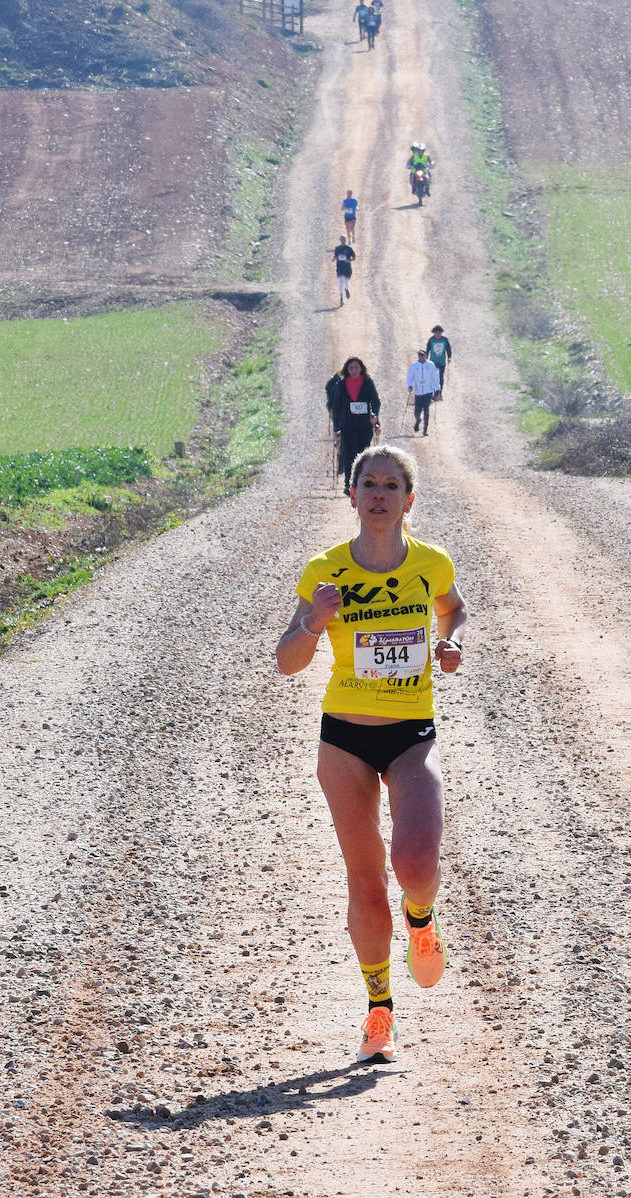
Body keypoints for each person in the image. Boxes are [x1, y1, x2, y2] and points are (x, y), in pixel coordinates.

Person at [275, 444, 467, 1064]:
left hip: (412, 732)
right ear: (352, 495)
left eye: (391, 484)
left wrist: (451, 641)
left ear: (408, 500)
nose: (379, 493)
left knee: (414, 863)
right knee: (364, 877)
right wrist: (312, 623)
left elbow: (454, 608)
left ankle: (422, 915)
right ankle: (379, 1012)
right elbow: (286, 662)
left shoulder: (432, 564)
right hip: (345, 739)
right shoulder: (325, 571)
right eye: (369, 483)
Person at [330, 357, 381, 495]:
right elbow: (337, 406)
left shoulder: (367, 383)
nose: (353, 370)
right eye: (351, 368)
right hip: (348, 425)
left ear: (361, 369)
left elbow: (376, 401)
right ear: (347, 369)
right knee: (349, 454)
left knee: (363, 453)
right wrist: (336, 428)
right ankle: (348, 484)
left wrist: (375, 416)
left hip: (364, 425)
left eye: (356, 368)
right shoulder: (341, 384)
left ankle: (362, 483)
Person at [406, 349, 440, 436]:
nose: (421, 357)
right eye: (420, 355)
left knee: (426, 410)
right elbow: (410, 377)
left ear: (425, 356)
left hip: (428, 391)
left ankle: (425, 430)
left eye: (423, 355)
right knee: (417, 412)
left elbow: (435, 377)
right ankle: (418, 420)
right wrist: (410, 385)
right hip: (418, 392)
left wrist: (437, 389)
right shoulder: (414, 366)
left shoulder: (431, 365)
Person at [426, 326, 452, 397]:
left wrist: (449, 357)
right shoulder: (431, 340)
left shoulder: (445, 340)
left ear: (441, 333)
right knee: (432, 377)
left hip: (442, 362)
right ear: (434, 333)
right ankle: (432, 392)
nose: (437, 334)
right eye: (436, 333)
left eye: (439, 333)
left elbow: (448, 349)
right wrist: (426, 357)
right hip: (433, 362)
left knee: (441, 377)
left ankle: (439, 393)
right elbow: (427, 349)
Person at [333, 234, 355, 305]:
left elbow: (354, 257)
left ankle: (346, 289)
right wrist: (334, 258)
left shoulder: (349, 249)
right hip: (340, 268)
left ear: (345, 240)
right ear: (340, 240)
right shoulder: (337, 248)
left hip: (347, 268)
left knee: (346, 282)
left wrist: (350, 260)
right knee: (341, 282)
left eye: (344, 239)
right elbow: (335, 256)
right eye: (341, 239)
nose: (342, 241)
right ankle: (341, 298)